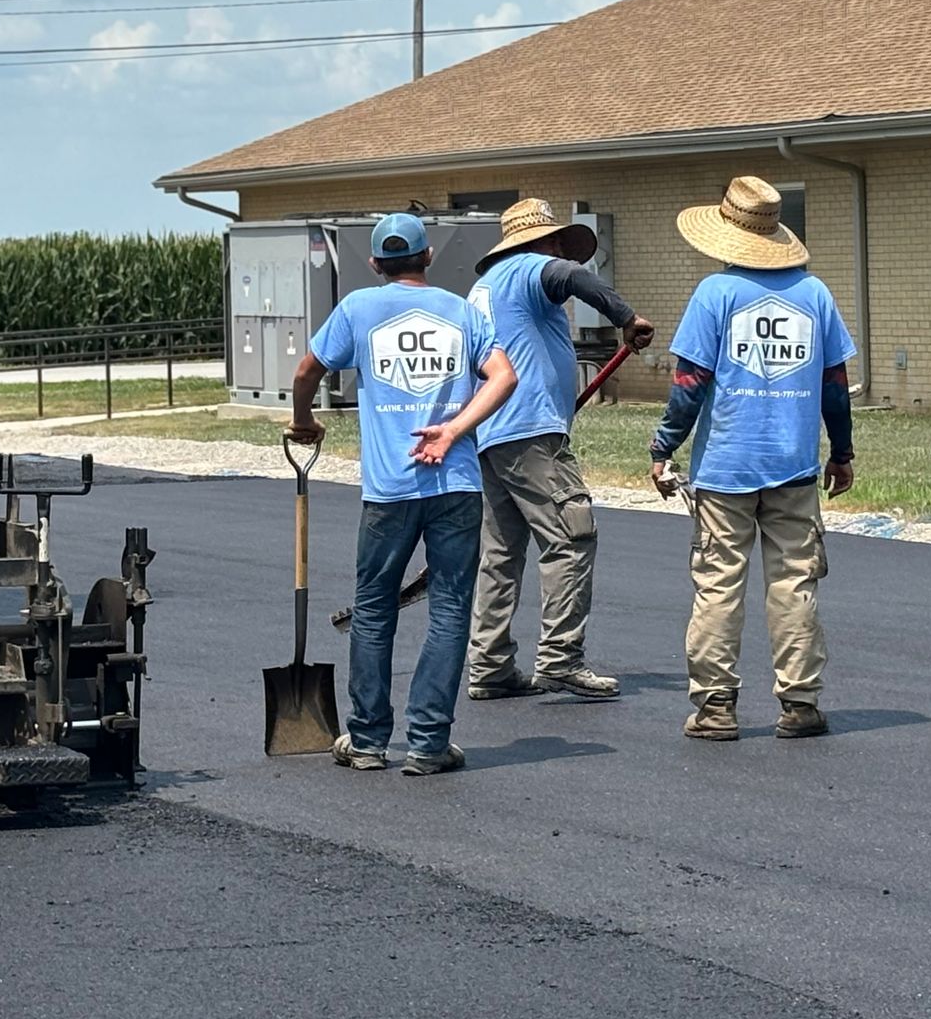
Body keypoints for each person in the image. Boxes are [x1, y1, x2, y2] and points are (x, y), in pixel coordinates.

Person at [288, 212, 517, 776]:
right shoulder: (462, 313)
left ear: (374, 264)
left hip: (390, 489)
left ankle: (366, 741)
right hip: (456, 484)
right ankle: (429, 742)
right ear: (429, 257)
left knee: (373, 609)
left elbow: (305, 372)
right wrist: (456, 429)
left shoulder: (359, 310)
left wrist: (303, 422)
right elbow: (504, 377)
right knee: (449, 610)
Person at [646, 176, 857, 742]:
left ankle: (715, 707)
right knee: (795, 582)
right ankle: (801, 702)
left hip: (724, 469)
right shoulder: (815, 295)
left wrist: (664, 446)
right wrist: (842, 452)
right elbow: (835, 385)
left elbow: (689, 384)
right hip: (793, 466)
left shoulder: (715, 295)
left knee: (718, 584)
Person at [465, 199, 655, 701]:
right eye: (558, 244)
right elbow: (573, 277)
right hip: (529, 433)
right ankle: (560, 659)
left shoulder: (485, 290)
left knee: (502, 552)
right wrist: (626, 316)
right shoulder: (531, 268)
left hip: (492, 434)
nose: (562, 254)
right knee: (572, 535)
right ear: (542, 243)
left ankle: (489, 665)